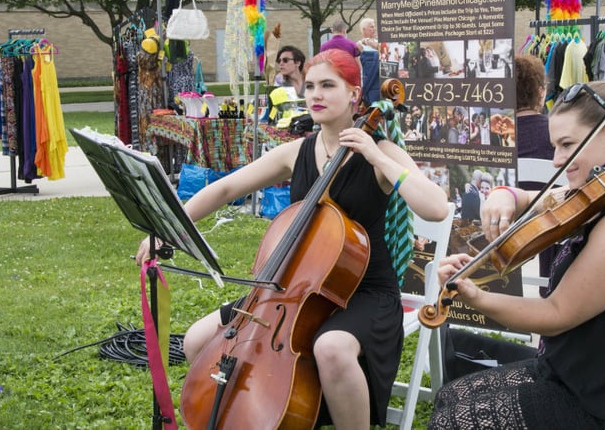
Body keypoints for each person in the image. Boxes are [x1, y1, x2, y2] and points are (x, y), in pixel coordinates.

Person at [136, 49, 449, 428]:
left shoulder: (381, 150)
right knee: (197, 341)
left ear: (354, 93)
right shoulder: (297, 151)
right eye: (311, 85)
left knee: (331, 347)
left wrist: (377, 156)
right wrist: (167, 229)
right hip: (294, 287)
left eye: (328, 86)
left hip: (364, 291)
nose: (315, 94)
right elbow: (225, 189)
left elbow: (435, 207)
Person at [428, 81, 605, 429]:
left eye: (567, 145)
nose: (556, 160)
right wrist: (507, 193)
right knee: (450, 395)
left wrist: (477, 297)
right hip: (582, 370)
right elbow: (540, 199)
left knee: (450, 421)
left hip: (598, 400)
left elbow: (556, 313)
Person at [514, 54, 556, 295]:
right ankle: (548, 286)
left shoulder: (493, 136)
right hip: (548, 226)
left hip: (504, 222)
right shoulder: (558, 133)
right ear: (541, 92)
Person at [357, 18, 381, 105]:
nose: (374, 29)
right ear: (364, 29)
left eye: (374, 27)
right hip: (368, 81)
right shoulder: (359, 44)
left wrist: (371, 43)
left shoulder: (378, 43)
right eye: (371, 27)